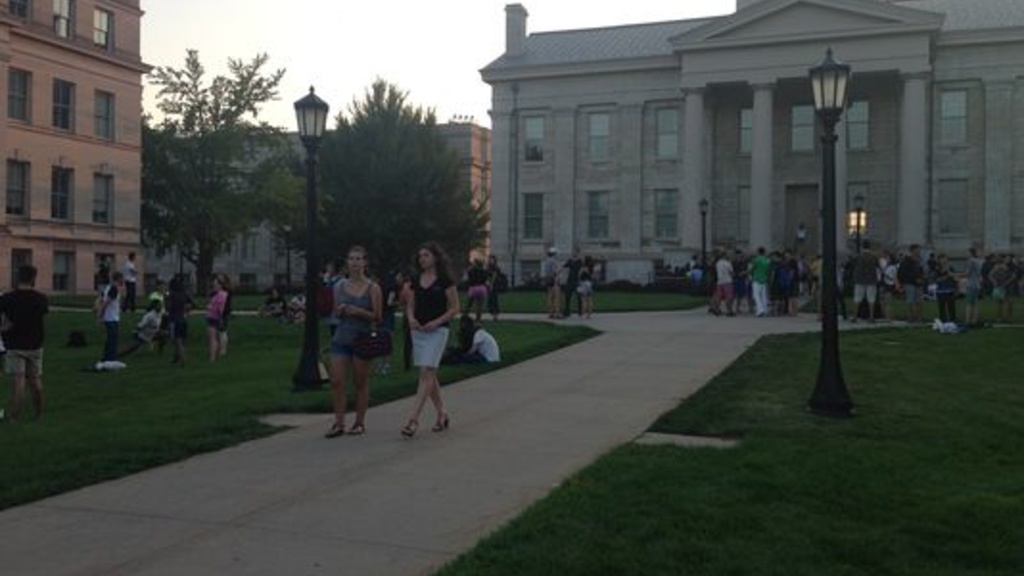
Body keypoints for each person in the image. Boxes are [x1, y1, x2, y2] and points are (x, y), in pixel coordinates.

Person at [402, 241, 459, 438]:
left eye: (426, 255)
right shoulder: (415, 279)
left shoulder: (445, 280)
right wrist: (410, 319)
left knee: (426, 372)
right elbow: (410, 304)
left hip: (437, 331)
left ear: (435, 257)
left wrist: (436, 322)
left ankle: (413, 419)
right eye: (420, 256)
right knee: (429, 373)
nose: (422, 259)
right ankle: (442, 413)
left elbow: (454, 308)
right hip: (419, 331)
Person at [325, 246, 383, 438]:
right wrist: (341, 310)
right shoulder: (339, 286)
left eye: (359, 259)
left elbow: (378, 317)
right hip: (341, 338)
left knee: (360, 382)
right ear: (347, 262)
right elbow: (335, 312)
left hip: (362, 340)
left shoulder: (373, 288)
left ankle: (359, 422)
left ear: (365, 263)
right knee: (337, 381)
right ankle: (339, 423)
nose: (355, 262)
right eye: (351, 259)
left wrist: (358, 312)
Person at [0, 265, 49, 422]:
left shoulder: (7, 299)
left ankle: (14, 417)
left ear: (18, 277)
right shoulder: (41, 299)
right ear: (33, 278)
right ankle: (39, 415)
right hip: (35, 343)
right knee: (35, 381)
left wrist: (6, 328)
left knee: (19, 381)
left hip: (14, 344)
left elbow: (6, 321)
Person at [97, 271, 124, 363]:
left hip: (112, 317)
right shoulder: (114, 289)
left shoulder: (108, 288)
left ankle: (107, 357)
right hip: (111, 318)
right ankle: (110, 357)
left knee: (111, 338)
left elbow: (101, 300)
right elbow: (106, 303)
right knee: (113, 339)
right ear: (118, 279)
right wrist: (100, 315)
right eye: (121, 279)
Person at [167, 275, 193, 366]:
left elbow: (168, 307)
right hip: (183, 319)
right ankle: (176, 357)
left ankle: (183, 360)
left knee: (177, 341)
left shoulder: (171, 295)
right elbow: (191, 303)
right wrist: (187, 309)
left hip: (174, 320)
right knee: (181, 339)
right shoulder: (184, 294)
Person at [851, 241, 880, 323]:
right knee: (871, 299)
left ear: (862, 247)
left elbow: (853, 265)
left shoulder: (858, 256)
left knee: (857, 299)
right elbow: (877, 267)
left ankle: (855, 316)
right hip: (871, 280)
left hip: (859, 280)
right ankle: (871, 317)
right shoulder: (873, 257)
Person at [206, 276, 229, 362]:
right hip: (212, 316)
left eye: (215, 284)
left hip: (214, 317)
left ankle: (212, 357)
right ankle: (213, 355)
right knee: (212, 337)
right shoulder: (217, 294)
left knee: (212, 338)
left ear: (220, 285)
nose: (214, 286)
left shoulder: (221, 294)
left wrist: (220, 318)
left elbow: (220, 308)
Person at [561, 248, 584, 318]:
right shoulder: (570, 261)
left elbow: (581, 270)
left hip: (577, 281)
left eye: (575, 252)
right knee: (567, 297)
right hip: (569, 281)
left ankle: (580, 311)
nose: (573, 253)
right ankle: (567, 312)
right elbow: (563, 266)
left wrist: (580, 280)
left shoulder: (580, 261)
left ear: (578, 253)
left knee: (579, 297)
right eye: (573, 252)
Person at [465, 259, 489, 323]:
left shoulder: (471, 271)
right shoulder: (484, 271)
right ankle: (478, 318)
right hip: (481, 288)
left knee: (469, 304)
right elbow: (485, 279)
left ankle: (465, 315)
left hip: (473, 288)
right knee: (479, 305)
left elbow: (469, 279)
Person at [750, 247, 770, 317]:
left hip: (757, 279)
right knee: (763, 296)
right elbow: (768, 270)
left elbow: (752, 269)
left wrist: (749, 272)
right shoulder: (766, 260)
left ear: (758, 252)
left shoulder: (756, 260)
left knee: (756, 295)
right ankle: (765, 310)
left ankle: (760, 310)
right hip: (764, 279)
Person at [542, 247, 561, 318]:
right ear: (554, 254)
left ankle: (550, 313)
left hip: (548, 279)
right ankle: (557, 313)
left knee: (550, 297)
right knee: (556, 297)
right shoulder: (553, 261)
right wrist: (559, 271)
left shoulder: (546, 261)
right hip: (554, 279)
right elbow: (554, 272)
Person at [485, 255, 504, 321]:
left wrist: (491, 285)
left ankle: (495, 315)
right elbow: (486, 276)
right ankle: (493, 314)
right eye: (490, 259)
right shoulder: (488, 268)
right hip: (489, 285)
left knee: (494, 300)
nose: (490, 260)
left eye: (492, 259)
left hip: (494, 286)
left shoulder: (495, 268)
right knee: (490, 300)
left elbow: (494, 276)